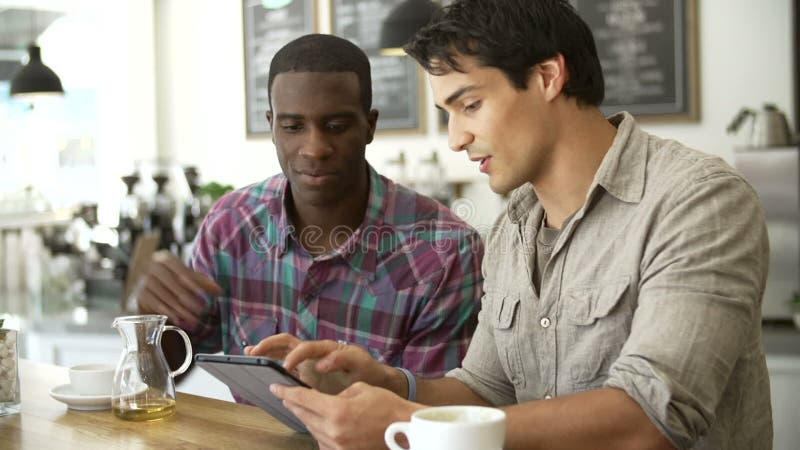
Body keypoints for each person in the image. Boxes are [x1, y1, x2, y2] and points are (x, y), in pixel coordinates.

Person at [249, 1, 772, 449]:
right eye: (447, 113)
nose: (455, 138)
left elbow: (650, 419)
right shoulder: (513, 227)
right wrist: (388, 384)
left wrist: (408, 423)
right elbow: (485, 390)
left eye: (470, 105)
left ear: (547, 77)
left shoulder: (698, 201)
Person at [131, 34, 484, 389]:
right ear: (271, 126)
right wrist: (149, 323)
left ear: (370, 126)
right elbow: (172, 368)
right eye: (292, 127)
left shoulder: (444, 251)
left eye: (336, 126)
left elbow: (439, 420)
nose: (314, 149)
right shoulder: (230, 225)